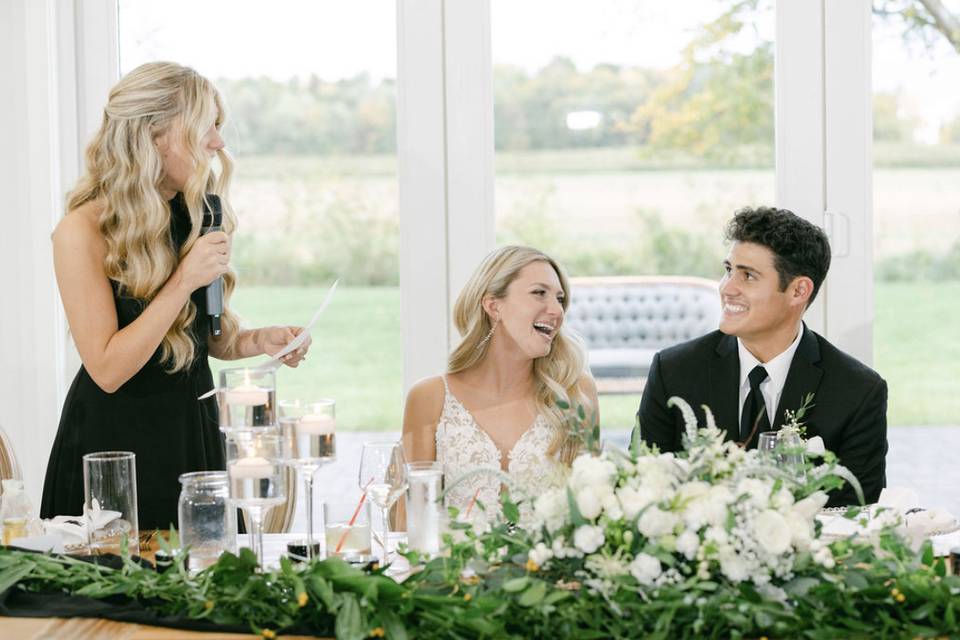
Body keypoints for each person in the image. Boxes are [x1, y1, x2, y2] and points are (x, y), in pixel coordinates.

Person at [40, 62, 310, 530]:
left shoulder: (199, 213)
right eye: (206, 126)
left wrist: (258, 340)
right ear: (156, 135)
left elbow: (210, 336)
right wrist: (183, 278)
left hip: (194, 434)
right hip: (114, 449)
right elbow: (107, 369)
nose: (217, 143)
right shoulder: (80, 231)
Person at [638, 206, 887, 506]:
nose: (727, 288)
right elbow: (643, 489)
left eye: (748, 276)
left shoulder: (858, 391)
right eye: (729, 270)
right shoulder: (673, 372)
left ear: (798, 291)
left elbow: (857, 514)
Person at [401, 246, 598, 526]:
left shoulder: (576, 393)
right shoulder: (428, 398)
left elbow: (593, 514)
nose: (556, 310)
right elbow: (407, 523)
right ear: (494, 306)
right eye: (539, 293)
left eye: (560, 298)